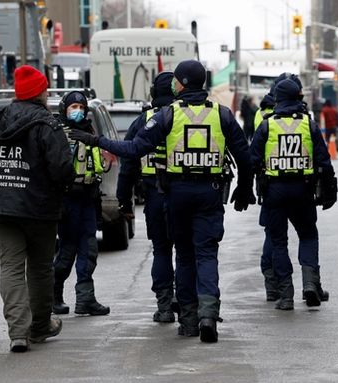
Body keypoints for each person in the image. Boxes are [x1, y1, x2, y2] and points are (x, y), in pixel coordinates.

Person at [70, 60, 255, 343]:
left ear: (182, 83)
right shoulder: (223, 115)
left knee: (181, 255)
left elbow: (133, 149)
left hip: (178, 194)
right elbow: (244, 156)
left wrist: (96, 141)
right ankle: (208, 314)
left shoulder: (168, 115)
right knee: (206, 254)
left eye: (176, 81)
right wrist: (245, 189)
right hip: (210, 192)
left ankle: (189, 321)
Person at [0, 65, 75, 352]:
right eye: (45, 88)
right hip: (39, 207)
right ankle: (40, 327)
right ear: (40, 92)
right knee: (41, 268)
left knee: (12, 267)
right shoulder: (47, 125)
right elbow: (61, 169)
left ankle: (18, 333)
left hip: (1, 206)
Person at [250, 78, 337, 311]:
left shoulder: (268, 125)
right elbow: (324, 161)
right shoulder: (308, 125)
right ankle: (310, 283)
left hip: (274, 192)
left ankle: (286, 295)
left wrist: (247, 190)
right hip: (303, 190)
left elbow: (252, 160)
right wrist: (330, 191)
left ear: (277, 99)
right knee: (308, 236)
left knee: (278, 242)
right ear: (298, 98)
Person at [116, 72, 177, 323]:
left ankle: (164, 307)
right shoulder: (184, 117)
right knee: (186, 251)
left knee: (162, 251)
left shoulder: (143, 120)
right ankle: (185, 304)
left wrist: (124, 200)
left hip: (153, 196)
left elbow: (128, 164)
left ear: (153, 93)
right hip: (181, 193)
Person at [52, 91, 110, 317]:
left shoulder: (88, 131)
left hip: (87, 197)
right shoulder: (57, 133)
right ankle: (53, 295)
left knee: (89, 249)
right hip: (67, 199)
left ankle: (85, 299)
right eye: (73, 106)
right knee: (68, 249)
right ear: (64, 108)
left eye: (81, 107)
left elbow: (95, 166)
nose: (78, 111)